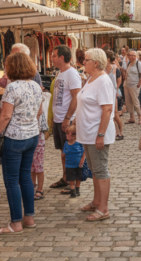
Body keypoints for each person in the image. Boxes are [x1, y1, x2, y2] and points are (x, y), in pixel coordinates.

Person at [0, 52, 44, 235]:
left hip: (15, 137)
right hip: (32, 135)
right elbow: (39, 111)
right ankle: (29, 217)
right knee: (25, 177)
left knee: (11, 181)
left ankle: (16, 223)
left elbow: (5, 116)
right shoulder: (36, 86)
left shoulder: (12, 88)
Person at [76, 48, 116, 221]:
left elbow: (107, 109)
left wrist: (100, 134)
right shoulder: (91, 79)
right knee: (94, 169)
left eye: (86, 59)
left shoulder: (103, 81)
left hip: (96, 133)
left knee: (100, 169)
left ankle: (103, 209)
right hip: (88, 132)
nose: (83, 62)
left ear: (96, 63)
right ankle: (96, 201)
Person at [48, 45, 82, 193]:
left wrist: (68, 118)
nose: (52, 58)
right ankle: (66, 178)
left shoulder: (71, 73)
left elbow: (76, 97)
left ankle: (72, 182)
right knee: (63, 152)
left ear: (62, 57)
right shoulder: (60, 73)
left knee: (69, 153)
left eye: (54, 55)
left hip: (66, 118)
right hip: (58, 118)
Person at [32, 88, 51, 200]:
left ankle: (39, 188)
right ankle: (32, 186)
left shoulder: (40, 97)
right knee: (30, 165)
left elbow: (40, 113)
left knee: (38, 164)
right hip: (31, 133)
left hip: (38, 132)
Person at [105, 50, 125, 141]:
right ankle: (114, 131)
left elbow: (119, 81)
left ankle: (120, 132)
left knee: (115, 114)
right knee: (108, 114)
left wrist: (116, 90)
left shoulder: (115, 68)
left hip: (113, 93)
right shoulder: (102, 68)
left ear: (108, 58)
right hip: (105, 93)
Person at [62, 123, 85, 198]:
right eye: (67, 133)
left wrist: (82, 159)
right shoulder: (66, 144)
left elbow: (84, 151)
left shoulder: (79, 143)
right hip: (69, 165)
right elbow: (64, 154)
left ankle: (77, 189)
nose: (69, 135)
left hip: (78, 164)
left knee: (78, 177)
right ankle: (72, 191)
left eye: (72, 134)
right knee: (71, 178)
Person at [123, 50, 141, 125]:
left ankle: (140, 117)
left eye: (134, 55)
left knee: (135, 101)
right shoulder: (129, 63)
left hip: (134, 84)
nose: (132, 56)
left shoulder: (139, 63)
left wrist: (139, 83)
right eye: (130, 55)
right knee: (128, 101)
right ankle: (132, 118)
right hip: (127, 84)